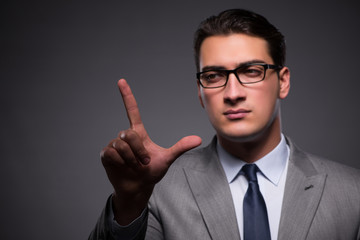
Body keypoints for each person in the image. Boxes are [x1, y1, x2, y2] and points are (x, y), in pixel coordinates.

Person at [89, 9, 360, 240]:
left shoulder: (353, 192)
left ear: (283, 81)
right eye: (214, 75)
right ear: (199, 91)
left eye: (251, 71)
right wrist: (128, 202)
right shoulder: (156, 190)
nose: (232, 93)